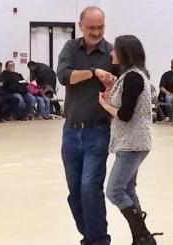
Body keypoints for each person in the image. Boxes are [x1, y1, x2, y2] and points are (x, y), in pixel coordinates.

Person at [56, 6, 116, 245]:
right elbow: (64, 76)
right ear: (81, 26)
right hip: (70, 132)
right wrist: (93, 72)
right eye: (91, 28)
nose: (96, 32)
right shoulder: (71, 48)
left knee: (90, 187)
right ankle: (89, 237)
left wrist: (111, 84)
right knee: (75, 192)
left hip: (98, 131)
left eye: (100, 27)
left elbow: (124, 83)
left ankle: (99, 240)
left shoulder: (112, 52)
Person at [98, 35, 158, 245]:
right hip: (134, 142)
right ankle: (140, 238)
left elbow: (125, 114)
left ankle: (143, 236)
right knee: (128, 189)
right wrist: (110, 95)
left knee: (114, 190)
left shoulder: (133, 77)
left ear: (124, 53)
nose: (112, 53)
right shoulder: (132, 76)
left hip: (133, 143)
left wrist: (105, 105)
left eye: (115, 50)